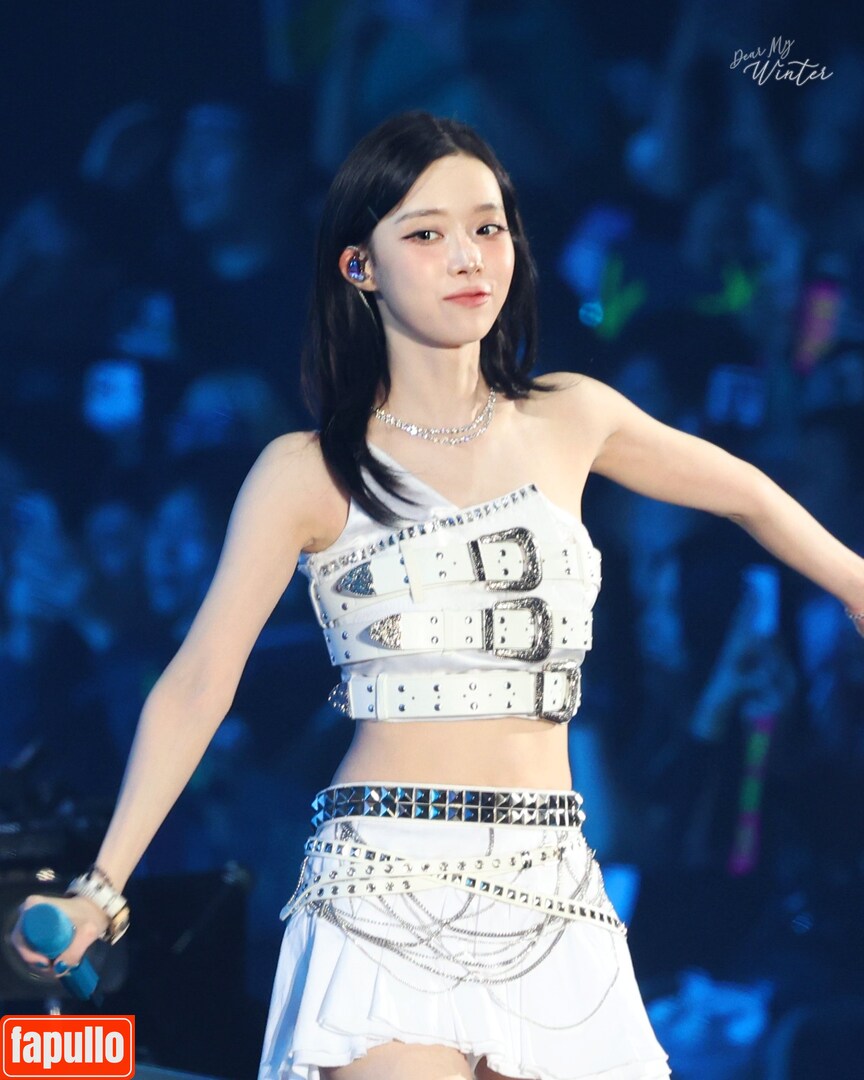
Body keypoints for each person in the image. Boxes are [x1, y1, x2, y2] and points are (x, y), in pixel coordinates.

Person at [12, 112, 864, 1080]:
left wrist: (852, 580)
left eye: (487, 227)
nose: (468, 256)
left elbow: (748, 492)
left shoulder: (571, 416)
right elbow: (201, 679)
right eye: (427, 232)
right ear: (360, 266)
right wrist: (102, 886)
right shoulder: (306, 470)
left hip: (553, 886)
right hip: (382, 882)